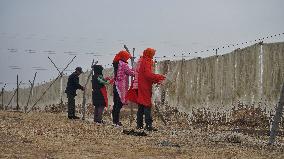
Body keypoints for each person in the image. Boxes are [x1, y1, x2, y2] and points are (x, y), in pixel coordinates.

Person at [127, 48, 165, 131]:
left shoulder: (142, 60)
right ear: (149, 54)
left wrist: (156, 79)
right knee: (147, 105)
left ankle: (139, 125)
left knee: (141, 106)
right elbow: (148, 75)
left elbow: (144, 74)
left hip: (139, 85)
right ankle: (148, 125)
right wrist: (158, 77)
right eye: (152, 53)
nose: (153, 55)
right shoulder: (146, 61)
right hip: (143, 86)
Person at [112, 50, 134, 126]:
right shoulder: (123, 64)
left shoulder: (116, 63)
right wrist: (136, 72)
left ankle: (114, 120)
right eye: (127, 57)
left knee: (116, 104)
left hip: (115, 85)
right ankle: (116, 121)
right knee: (119, 104)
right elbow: (130, 73)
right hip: (120, 87)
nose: (127, 59)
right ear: (124, 57)